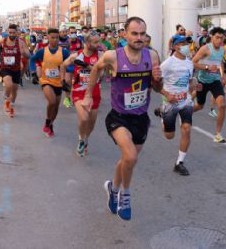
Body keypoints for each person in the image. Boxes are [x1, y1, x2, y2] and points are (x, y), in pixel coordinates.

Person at [82, 16, 163, 221]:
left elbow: (157, 88)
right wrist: (88, 95)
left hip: (141, 118)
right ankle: (124, 196)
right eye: (134, 33)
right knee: (131, 157)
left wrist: (157, 80)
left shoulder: (152, 56)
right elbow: (95, 69)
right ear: (125, 34)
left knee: (127, 160)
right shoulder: (113, 56)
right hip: (118, 118)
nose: (138, 38)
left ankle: (113, 188)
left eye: (142, 34)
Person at [157, 35, 197, 176]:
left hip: (185, 101)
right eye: (182, 43)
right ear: (175, 47)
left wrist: (195, 86)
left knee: (186, 129)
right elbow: (155, 83)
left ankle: (179, 162)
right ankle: (162, 114)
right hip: (170, 102)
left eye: (186, 43)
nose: (186, 45)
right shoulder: (168, 63)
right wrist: (166, 94)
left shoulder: (189, 63)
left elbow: (190, 81)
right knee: (169, 135)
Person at [63, 31, 102, 155]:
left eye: (98, 41)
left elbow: (101, 74)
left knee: (91, 123)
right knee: (84, 118)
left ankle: (85, 139)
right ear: (87, 43)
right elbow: (63, 65)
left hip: (95, 93)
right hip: (79, 92)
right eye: (95, 42)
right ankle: (81, 139)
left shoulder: (101, 56)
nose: (98, 44)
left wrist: (88, 66)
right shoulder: (76, 56)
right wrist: (62, 81)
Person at [31, 28, 70, 137]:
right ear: (47, 37)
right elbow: (32, 60)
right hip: (46, 81)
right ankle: (48, 120)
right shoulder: (42, 51)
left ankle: (51, 124)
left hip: (58, 83)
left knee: (56, 108)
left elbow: (70, 64)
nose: (55, 40)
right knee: (52, 102)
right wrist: (34, 73)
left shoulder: (64, 52)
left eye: (57, 38)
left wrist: (67, 77)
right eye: (52, 37)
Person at [192, 27, 226, 143]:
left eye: (221, 38)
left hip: (215, 80)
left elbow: (220, 63)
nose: (219, 40)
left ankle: (218, 134)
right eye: (217, 37)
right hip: (202, 81)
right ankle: (186, 112)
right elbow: (193, 62)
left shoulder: (222, 50)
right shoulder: (205, 49)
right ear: (212, 37)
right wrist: (206, 67)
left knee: (222, 105)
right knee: (200, 106)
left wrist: (222, 76)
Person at [0, 24, 30, 118]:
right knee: (8, 85)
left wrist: (24, 53)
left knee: (14, 90)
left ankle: (11, 104)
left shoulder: (21, 42)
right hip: (5, 68)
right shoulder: (4, 40)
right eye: (10, 32)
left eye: (13, 33)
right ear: (8, 32)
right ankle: (7, 100)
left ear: (17, 33)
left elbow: (28, 55)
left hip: (16, 69)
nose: (12, 34)